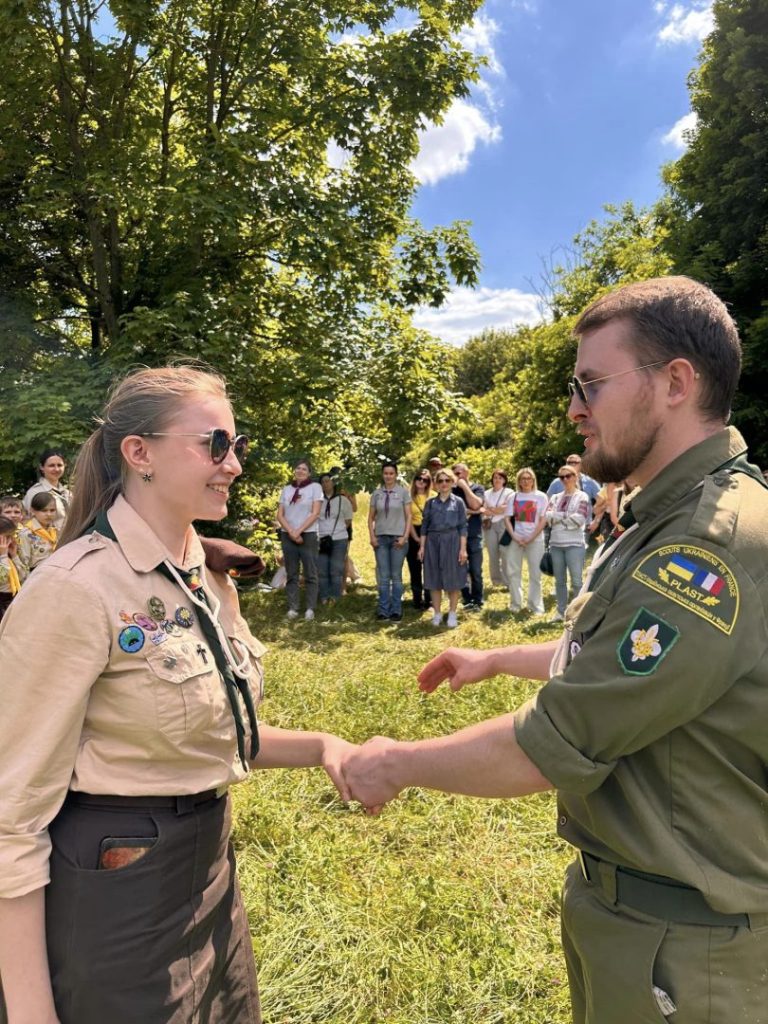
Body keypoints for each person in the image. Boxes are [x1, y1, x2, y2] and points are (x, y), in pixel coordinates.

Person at [340, 276, 768, 1024]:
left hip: (688, 944)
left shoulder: (705, 549)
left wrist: (394, 765)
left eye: (590, 384)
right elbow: (621, 653)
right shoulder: (670, 516)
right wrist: (498, 658)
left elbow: (550, 745)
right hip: (650, 919)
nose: (573, 408)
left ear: (675, 383)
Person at [0, 365, 355, 1024]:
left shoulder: (201, 571)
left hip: (211, 869)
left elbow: (222, 733)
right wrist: (29, 1012)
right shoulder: (73, 591)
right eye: (214, 445)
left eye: (235, 446)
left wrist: (327, 746)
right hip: (120, 890)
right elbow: (9, 820)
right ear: (140, 454)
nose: (234, 465)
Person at [420, 468, 468, 629]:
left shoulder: (458, 502)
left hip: (453, 540)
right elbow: (424, 527)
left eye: (447, 480)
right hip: (433, 542)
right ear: (436, 484)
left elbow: (463, 526)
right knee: (434, 578)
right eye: (440, 481)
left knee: (453, 577)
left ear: (452, 482)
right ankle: (438, 613)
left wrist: (463, 549)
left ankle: (453, 613)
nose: (444, 484)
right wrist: (422, 547)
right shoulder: (430, 503)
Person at [277, 459, 323, 621]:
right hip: (288, 535)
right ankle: (293, 608)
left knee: (310, 572)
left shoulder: (315, 488)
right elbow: (280, 514)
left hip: (308, 534)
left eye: (304, 469)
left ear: (309, 473)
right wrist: (291, 532)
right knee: (292, 572)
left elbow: (315, 513)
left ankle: (310, 608)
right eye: (298, 468)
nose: (300, 471)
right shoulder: (287, 489)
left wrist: (299, 531)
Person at [368, 461, 411, 622]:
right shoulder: (376, 494)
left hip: (398, 538)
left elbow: (409, 517)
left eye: (391, 473)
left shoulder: (403, 493)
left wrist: (404, 537)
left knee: (396, 575)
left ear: (396, 474)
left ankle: (396, 610)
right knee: (384, 576)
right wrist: (372, 537)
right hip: (381, 538)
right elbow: (370, 518)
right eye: (385, 473)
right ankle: (383, 610)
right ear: (382, 474)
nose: (388, 476)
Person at [545, 467, 590, 621]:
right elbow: (548, 517)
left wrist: (559, 519)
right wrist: (565, 517)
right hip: (556, 544)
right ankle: (561, 611)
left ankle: (578, 613)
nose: (565, 479)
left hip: (575, 545)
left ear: (575, 477)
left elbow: (580, 520)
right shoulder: (555, 497)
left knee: (577, 581)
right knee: (560, 581)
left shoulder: (582, 496)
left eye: (568, 476)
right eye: (561, 477)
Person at [501, 467, 548, 614]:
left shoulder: (541, 497)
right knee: (513, 572)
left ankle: (535, 606)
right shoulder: (513, 497)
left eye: (528, 478)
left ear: (533, 480)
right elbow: (507, 519)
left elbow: (543, 520)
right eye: (523, 479)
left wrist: (530, 537)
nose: (526, 481)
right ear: (519, 482)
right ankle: (515, 604)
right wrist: (516, 537)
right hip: (516, 539)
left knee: (536, 574)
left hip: (535, 540)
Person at [316, 472, 353, 605]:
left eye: (328, 481)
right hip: (321, 539)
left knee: (336, 569)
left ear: (333, 483)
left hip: (339, 538)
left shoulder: (343, 500)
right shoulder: (317, 501)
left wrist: (337, 530)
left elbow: (348, 520)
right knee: (322, 569)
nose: (326, 483)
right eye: (323, 481)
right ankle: (324, 597)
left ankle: (335, 597)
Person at [451, 463, 484, 609]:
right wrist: (474, 511)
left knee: (476, 570)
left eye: (460, 473)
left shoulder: (477, 488)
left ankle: (478, 599)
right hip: (456, 536)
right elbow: (454, 512)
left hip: (474, 534)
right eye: (455, 474)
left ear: (467, 472)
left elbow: (476, 505)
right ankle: (467, 599)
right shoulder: (451, 491)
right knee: (461, 569)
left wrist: (465, 487)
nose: (458, 477)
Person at [23, 448, 72, 531]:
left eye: (59, 465)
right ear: (42, 467)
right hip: (46, 540)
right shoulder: (35, 492)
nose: (56, 469)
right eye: (51, 465)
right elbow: (30, 522)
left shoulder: (67, 493)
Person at [481, 469, 513, 587]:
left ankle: (507, 581)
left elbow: (506, 508)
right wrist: (496, 509)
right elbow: (482, 509)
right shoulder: (486, 493)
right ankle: (496, 580)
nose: (497, 480)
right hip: (489, 524)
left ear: (504, 480)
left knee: (505, 552)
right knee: (492, 553)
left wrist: (491, 509)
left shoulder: (509, 492)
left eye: (500, 478)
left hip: (504, 523)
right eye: (495, 477)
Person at [406, 470, 432, 610]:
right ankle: (417, 599)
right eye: (419, 478)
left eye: (425, 480)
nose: (421, 481)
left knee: (429, 568)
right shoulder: (408, 497)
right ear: (414, 480)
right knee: (414, 568)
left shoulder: (433, 496)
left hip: (429, 533)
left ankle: (429, 600)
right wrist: (415, 537)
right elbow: (407, 519)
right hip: (413, 531)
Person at [17, 492, 59, 573]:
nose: (49, 514)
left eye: (52, 510)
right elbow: (24, 564)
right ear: (33, 511)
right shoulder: (26, 533)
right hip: (36, 574)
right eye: (44, 510)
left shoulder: (55, 530)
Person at [0, 516, 27, 621]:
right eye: (5, 538)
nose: (9, 541)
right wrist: (3, 556)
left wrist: (15, 556)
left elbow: (24, 576)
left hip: (13, 598)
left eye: (11, 537)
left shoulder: (9, 554)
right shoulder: (3, 555)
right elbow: (1, 578)